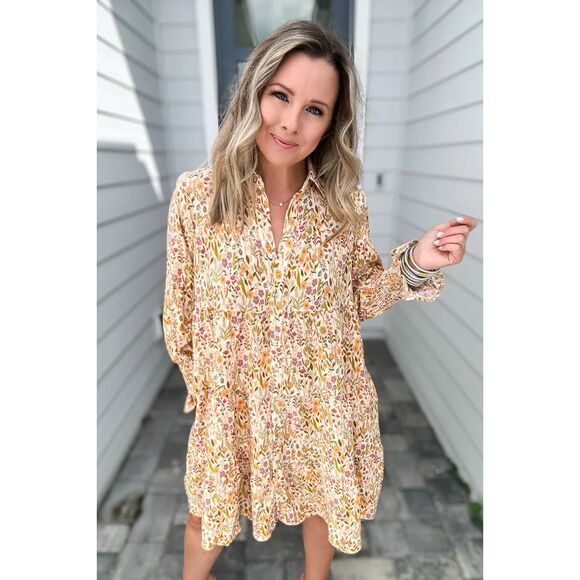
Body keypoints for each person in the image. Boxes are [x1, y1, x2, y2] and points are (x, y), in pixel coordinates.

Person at [162, 19, 476, 580]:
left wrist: (418, 261)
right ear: (254, 92)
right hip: (234, 405)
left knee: (323, 507)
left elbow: (355, 298)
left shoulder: (341, 202)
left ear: (332, 123)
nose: (290, 122)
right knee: (204, 518)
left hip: (322, 401)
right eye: (280, 96)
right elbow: (180, 312)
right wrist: (209, 392)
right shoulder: (197, 196)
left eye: (314, 108)